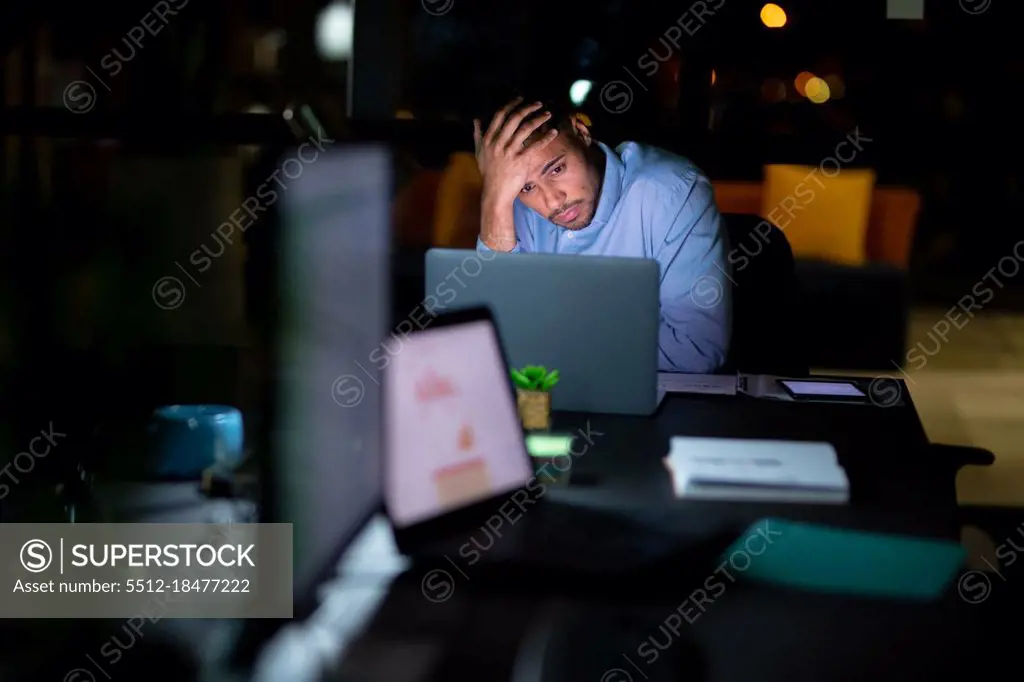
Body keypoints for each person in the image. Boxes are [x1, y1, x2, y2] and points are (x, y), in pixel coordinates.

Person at [472, 97, 731, 373]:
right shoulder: (511, 209)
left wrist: (548, 340)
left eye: (557, 169)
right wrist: (493, 201)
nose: (552, 201)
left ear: (581, 132)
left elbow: (697, 350)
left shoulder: (674, 194)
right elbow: (487, 346)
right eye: (526, 188)